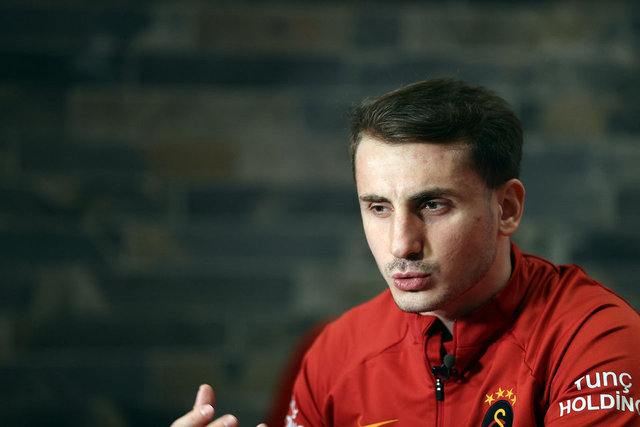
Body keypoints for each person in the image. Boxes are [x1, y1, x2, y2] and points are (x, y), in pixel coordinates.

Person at [172, 78, 640, 426]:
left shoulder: (595, 341)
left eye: (433, 205)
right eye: (378, 207)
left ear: (508, 208)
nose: (400, 245)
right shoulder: (336, 353)